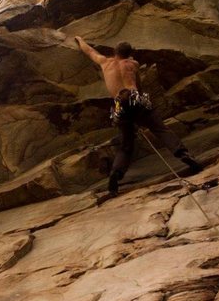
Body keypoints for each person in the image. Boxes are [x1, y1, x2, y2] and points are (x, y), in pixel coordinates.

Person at [75, 37, 202, 195]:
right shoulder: (132, 64)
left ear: (115, 51)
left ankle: (116, 174)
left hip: (119, 105)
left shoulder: (105, 63)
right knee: (160, 129)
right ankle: (183, 154)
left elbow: (90, 51)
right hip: (135, 98)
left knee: (126, 145)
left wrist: (79, 40)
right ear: (130, 54)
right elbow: (138, 87)